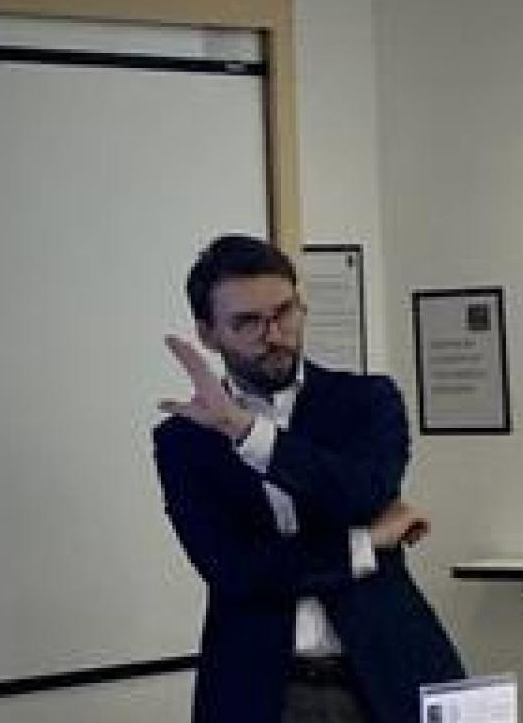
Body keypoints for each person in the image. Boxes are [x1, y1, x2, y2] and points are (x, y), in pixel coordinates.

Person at [153, 234, 464, 723]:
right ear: (208, 334)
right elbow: (235, 571)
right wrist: (366, 544)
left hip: (388, 676)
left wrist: (246, 432)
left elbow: (362, 492)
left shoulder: (368, 400)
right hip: (261, 690)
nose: (273, 334)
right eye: (247, 323)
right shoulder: (183, 441)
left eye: (284, 312)